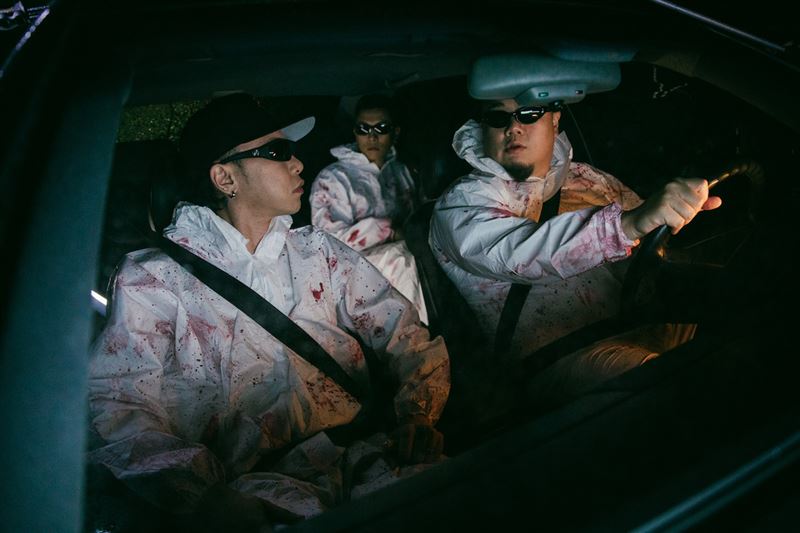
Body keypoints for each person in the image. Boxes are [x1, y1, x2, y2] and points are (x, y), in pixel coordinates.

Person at [87, 93, 450, 532]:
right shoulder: (154, 281)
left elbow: (402, 330)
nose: (297, 164)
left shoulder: (317, 251)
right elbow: (118, 402)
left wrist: (417, 414)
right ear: (225, 177)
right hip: (258, 495)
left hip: (372, 455)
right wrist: (203, 495)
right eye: (278, 152)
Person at [429, 96, 721, 410]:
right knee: (670, 391)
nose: (513, 127)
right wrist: (629, 224)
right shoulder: (461, 203)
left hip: (646, 320)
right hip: (564, 357)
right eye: (498, 118)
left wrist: (677, 214)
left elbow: (649, 246)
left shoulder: (586, 177)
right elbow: (522, 254)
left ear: (555, 120)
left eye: (529, 113)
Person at [310, 94, 428, 324]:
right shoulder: (334, 178)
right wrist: (388, 231)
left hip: (404, 255)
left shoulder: (403, 172)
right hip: (351, 269)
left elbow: (418, 219)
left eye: (381, 128)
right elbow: (327, 244)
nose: (372, 137)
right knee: (402, 259)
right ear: (354, 132)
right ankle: (418, 333)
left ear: (395, 132)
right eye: (363, 129)